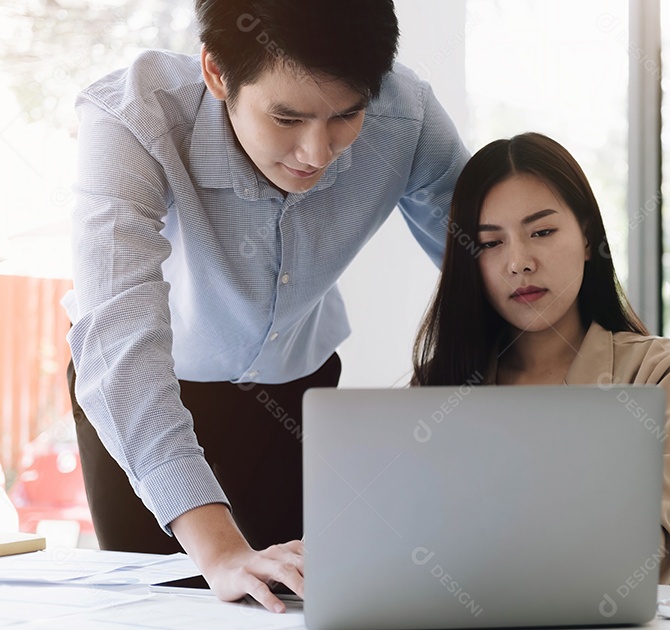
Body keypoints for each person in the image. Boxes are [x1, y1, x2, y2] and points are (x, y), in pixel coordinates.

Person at [64, 0, 468, 612]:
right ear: (217, 73)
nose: (317, 150)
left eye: (347, 115)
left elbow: (490, 256)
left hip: (297, 395)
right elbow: (121, 345)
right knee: (164, 612)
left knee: (296, 603)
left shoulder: (405, 114)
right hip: (149, 392)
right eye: (287, 116)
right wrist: (221, 550)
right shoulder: (134, 118)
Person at [412, 132, 670, 585]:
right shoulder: (440, 384)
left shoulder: (658, 372)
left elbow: (647, 555)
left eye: (542, 232)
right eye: (491, 243)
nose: (519, 262)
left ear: (587, 239)